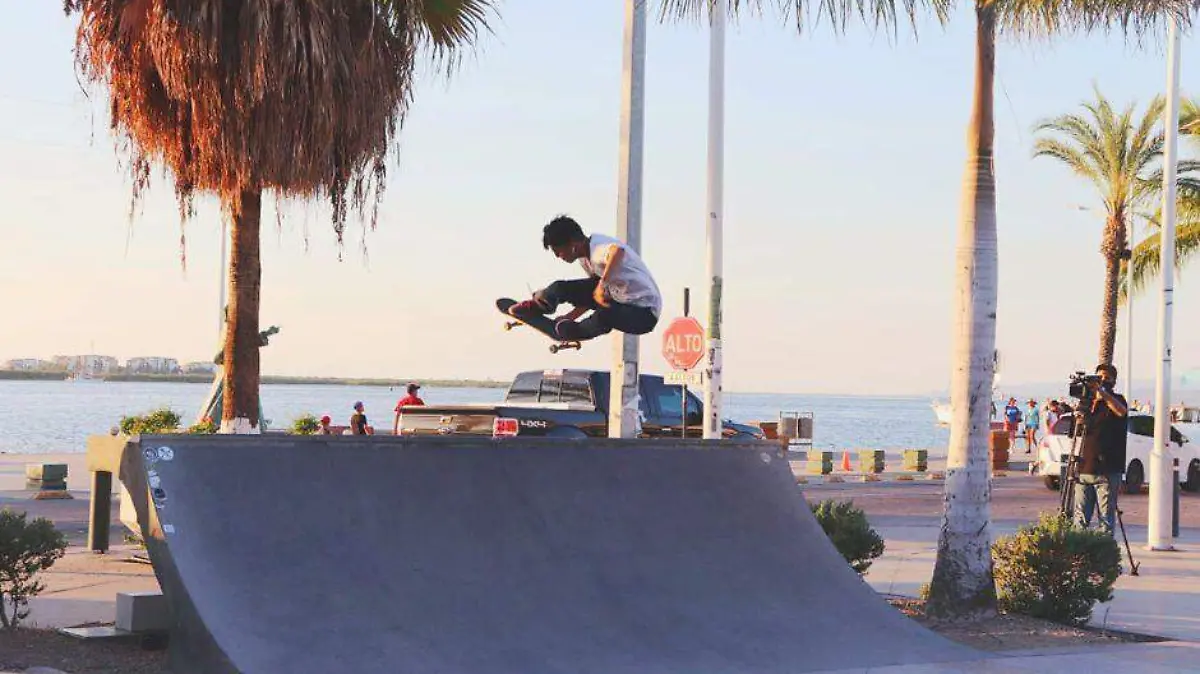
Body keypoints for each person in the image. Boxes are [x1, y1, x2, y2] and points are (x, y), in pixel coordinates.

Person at [506, 215, 662, 341]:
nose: (559, 257)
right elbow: (591, 297)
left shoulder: (598, 247)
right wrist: (570, 317)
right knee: (561, 287)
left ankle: (578, 331)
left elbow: (618, 252)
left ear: (573, 244)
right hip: (618, 302)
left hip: (644, 314)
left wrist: (603, 284)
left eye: (558, 252)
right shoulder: (585, 260)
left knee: (603, 316)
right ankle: (542, 304)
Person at [1073, 364, 1129, 534]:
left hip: (1108, 468)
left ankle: (1105, 556)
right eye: (1099, 378)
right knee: (1080, 519)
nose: (1102, 381)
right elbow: (1078, 429)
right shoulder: (1088, 403)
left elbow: (1121, 411)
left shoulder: (1116, 399)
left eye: (1106, 378)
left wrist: (1103, 394)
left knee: (1105, 519)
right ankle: (1079, 555)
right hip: (1085, 466)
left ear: (1113, 380)